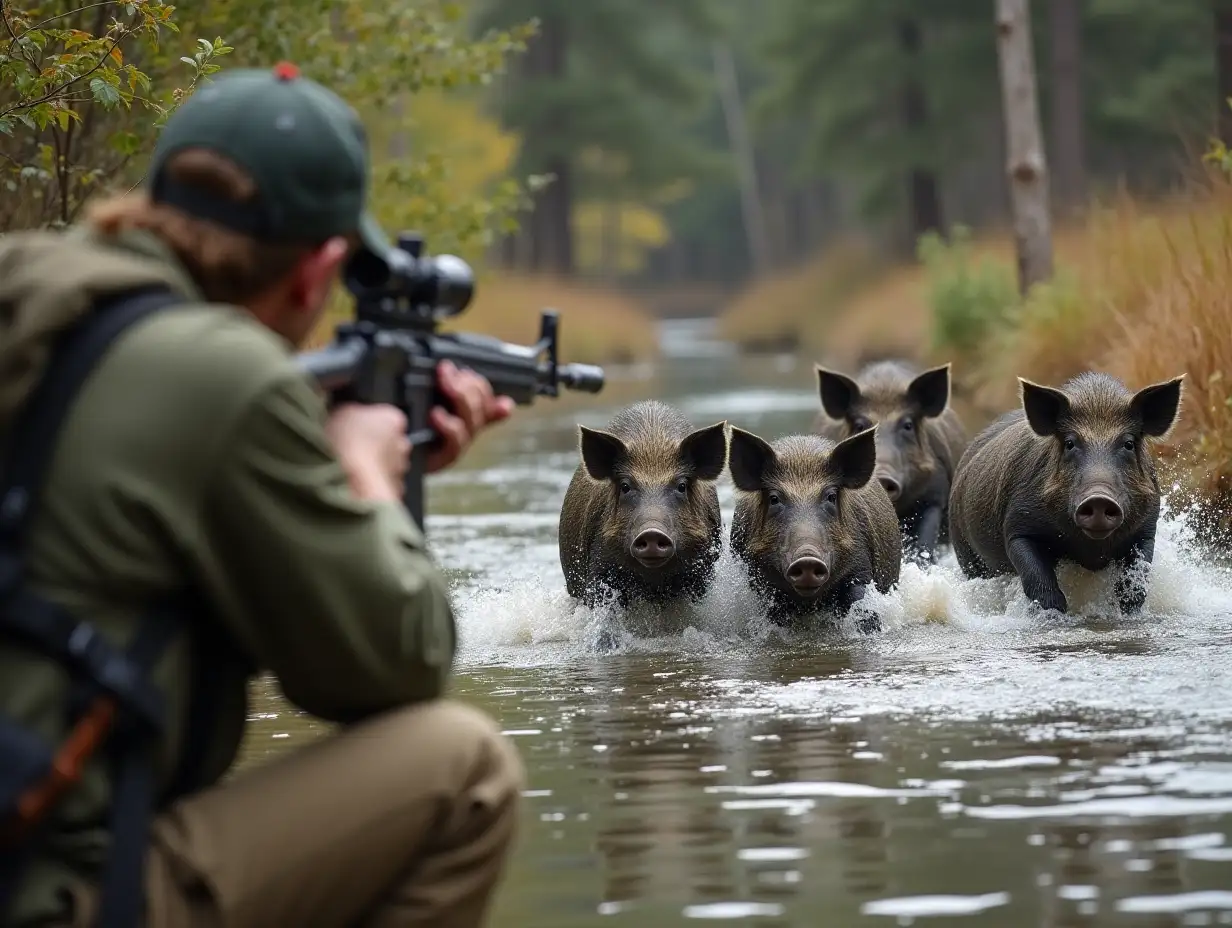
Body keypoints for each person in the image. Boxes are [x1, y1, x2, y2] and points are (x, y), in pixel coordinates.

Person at [0, 62, 526, 927]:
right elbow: (396, 663)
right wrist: (364, 476)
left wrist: (307, 465)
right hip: (45, 891)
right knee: (462, 767)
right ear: (320, 271)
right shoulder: (230, 378)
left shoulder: (32, 290)